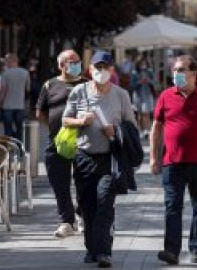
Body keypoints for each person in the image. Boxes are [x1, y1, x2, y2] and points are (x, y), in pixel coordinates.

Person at [62, 50, 136, 268]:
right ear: (90, 69)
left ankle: (104, 252)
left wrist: (115, 130)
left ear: (112, 70)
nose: (101, 71)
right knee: (87, 206)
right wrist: (80, 121)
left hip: (109, 159)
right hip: (83, 156)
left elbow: (131, 126)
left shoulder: (121, 95)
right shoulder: (78, 91)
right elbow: (66, 120)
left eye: (106, 67)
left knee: (104, 203)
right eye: (97, 67)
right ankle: (91, 249)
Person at [150, 55, 197, 265]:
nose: (176, 74)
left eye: (181, 70)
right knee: (172, 206)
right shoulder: (165, 96)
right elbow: (156, 128)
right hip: (172, 161)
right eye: (174, 70)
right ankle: (171, 251)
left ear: (193, 73)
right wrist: (154, 156)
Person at [36, 50, 87, 238]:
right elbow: (40, 113)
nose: (76, 64)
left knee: (84, 181)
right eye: (72, 61)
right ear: (61, 65)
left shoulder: (87, 85)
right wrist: (56, 128)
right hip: (57, 142)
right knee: (59, 183)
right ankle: (67, 221)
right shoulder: (50, 85)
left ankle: (81, 213)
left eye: (78, 61)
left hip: (83, 142)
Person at [0, 53, 30, 141]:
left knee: (8, 131)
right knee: (20, 130)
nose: (5, 63)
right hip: (20, 105)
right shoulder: (25, 73)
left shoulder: (5, 73)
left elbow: (3, 91)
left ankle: (9, 149)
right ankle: (19, 149)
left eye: (6, 61)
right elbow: (27, 89)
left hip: (7, 106)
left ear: (10, 61)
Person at [131, 58, 156, 139]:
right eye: (141, 63)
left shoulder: (149, 71)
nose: (143, 65)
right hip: (138, 95)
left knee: (146, 113)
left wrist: (148, 81)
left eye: (144, 63)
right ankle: (142, 131)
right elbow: (132, 86)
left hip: (147, 94)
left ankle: (148, 131)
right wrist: (139, 82)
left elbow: (154, 82)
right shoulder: (134, 73)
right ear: (138, 64)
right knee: (140, 114)